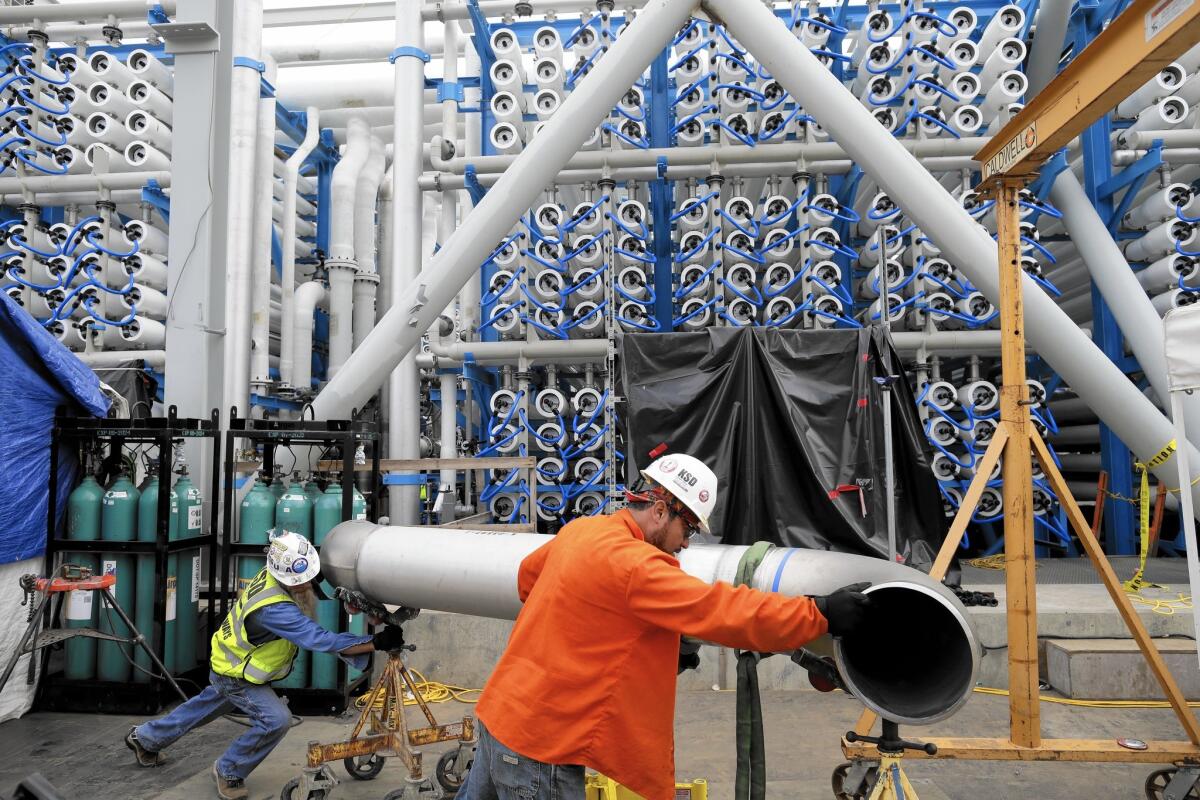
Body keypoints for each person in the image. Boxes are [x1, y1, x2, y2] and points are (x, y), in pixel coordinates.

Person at [457, 453, 873, 800]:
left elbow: (528, 580)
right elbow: (725, 612)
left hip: (501, 719)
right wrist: (818, 613)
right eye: (688, 527)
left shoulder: (583, 531)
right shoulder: (639, 566)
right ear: (660, 510)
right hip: (542, 751)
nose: (688, 543)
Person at [123, 530, 405, 800]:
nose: (306, 583)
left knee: (201, 709)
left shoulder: (277, 567)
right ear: (286, 576)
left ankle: (145, 739)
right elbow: (322, 640)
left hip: (228, 658)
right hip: (238, 674)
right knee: (276, 720)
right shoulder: (275, 610)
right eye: (301, 580)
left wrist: (360, 602)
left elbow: (313, 579)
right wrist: (375, 643)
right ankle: (229, 770)